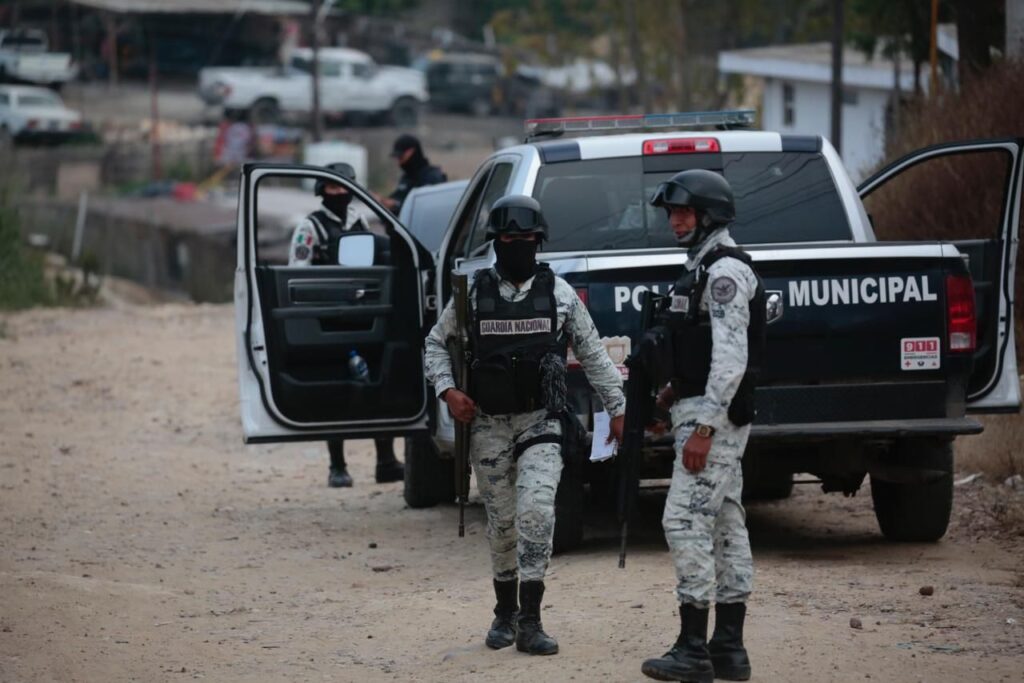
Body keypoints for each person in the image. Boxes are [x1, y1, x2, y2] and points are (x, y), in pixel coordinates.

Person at [424, 196, 625, 656]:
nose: (516, 245)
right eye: (507, 238)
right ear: (495, 242)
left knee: (537, 511)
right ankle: (504, 612)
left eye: (525, 238)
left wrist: (618, 408)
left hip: (541, 421)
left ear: (539, 241)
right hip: (488, 425)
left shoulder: (559, 294)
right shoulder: (471, 295)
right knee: (503, 522)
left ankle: (531, 621)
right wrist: (448, 391)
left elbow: (593, 354)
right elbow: (435, 344)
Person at [639, 170, 764, 683]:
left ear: (710, 215)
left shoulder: (724, 272)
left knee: (683, 521)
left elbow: (731, 361)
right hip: (701, 410)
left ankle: (693, 650)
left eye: (685, 212)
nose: (675, 221)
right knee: (726, 522)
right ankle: (728, 649)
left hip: (715, 420)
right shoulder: (701, 268)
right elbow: (701, 350)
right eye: (672, 213)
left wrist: (705, 429)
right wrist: (671, 395)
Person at [289, 161, 404, 488]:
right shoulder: (310, 227)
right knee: (335, 391)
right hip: (329, 319)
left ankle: (386, 461)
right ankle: (337, 467)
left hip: (364, 315)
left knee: (377, 383)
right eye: (333, 187)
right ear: (322, 190)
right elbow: (296, 273)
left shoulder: (359, 221)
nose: (339, 193)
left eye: (344, 187)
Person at [378, 134, 447, 214]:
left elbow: (427, 207)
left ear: (411, 152)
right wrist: (382, 201)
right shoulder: (406, 178)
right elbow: (397, 197)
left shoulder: (432, 177)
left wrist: (395, 205)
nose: (399, 162)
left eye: (401, 157)